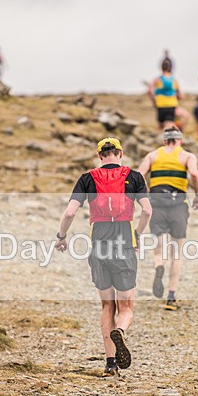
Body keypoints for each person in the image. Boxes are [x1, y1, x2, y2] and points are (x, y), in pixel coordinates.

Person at [55, 137, 152, 377]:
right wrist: (137, 234)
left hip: (99, 242)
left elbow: (69, 212)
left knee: (107, 305)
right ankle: (121, 330)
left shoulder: (87, 178)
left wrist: (61, 236)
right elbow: (148, 210)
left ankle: (110, 364)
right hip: (124, 241)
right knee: (126, 306)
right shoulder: (135, 177)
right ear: (120, 153)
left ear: (100, 156)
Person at [138, 127, 198, 311]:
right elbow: (195, 175)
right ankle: (171, 297)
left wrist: (144, 194)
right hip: (178, 206)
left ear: (164, 141)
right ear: (179, 140)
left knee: (159, 250)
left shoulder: (152, 156)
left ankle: (159, 265)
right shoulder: (187, 156)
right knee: (177, 253)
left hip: (157, 204)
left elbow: (138, 175)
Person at [148, 60, 184, 130]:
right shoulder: (174, 80)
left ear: (161, 68)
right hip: (171, 105)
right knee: (169, 126)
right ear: (170, 68)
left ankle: (159, 139)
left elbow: (149, 91)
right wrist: (176, 99)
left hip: (160, 105)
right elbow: (181, 95)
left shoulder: (157, 79)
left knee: (161, 126)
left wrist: (153, 101)